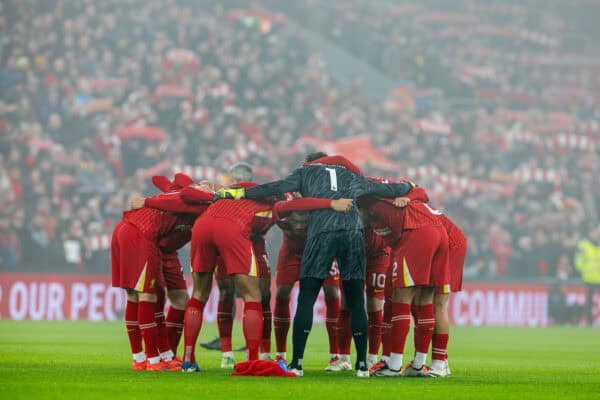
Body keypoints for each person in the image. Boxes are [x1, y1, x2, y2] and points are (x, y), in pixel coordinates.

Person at [215, 152, 413, 377]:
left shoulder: (305, 172)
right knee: (357, 300)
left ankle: (297, 363)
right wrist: (409, 187)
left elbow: (275, 187)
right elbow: (386, 189)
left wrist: (240, 192)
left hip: (322, 233)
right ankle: (361, 366)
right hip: (352, 233)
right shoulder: (350, 174)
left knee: (307, 297)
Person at [179, 175, 277, 372]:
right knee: (252, 296)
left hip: (202, 225)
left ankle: (187, 361)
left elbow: (182, 194)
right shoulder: (270, 199)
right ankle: (251, 361)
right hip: (232, 228)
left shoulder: (220, 195)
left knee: (198, 294)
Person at [112, 184, 212, 371]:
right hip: (140, 233)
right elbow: (183, 189)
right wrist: (211, 193)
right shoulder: (193, 199)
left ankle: (143, 358)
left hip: (127, 229)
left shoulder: (192, 207)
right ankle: (153, 360)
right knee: (146, 296)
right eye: (204, 185)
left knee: (137, 296)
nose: (207, 187)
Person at [271, 193, 348, 369]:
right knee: (282, 293)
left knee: (331, 292)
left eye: (303, 222)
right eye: (295, 222)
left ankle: (335, 355)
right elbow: (277, 207)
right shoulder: (283, 210)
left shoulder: (321, 210)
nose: (298, 226)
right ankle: (280, 354)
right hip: (291, 254)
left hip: (321, 251)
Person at [575, 227, 600, 327]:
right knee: (589, 301)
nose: (595, 233)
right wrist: (583, 270)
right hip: (588, 278)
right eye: (593, 231)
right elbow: (578, 261)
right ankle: (589, 322)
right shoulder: (583, 245)